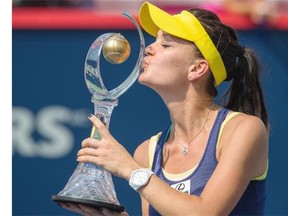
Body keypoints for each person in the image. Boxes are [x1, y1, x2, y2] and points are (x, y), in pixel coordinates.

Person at [60, 1, 269, 215]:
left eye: (165, 44)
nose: (149, 49)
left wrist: (130, 169)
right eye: (155, 41)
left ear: (197, 68)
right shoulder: (146, 153)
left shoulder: (243, 130)